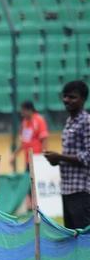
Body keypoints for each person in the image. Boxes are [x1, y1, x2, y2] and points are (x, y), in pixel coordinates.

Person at [43, 79, 89, 230]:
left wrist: (60, 157)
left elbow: (88, 156)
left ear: (83, 100)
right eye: (65, 96)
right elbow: (73, 155)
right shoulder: (70, 121)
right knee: (72, 237)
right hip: (67, 189)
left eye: (72, 97)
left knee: (83, 239)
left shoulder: (86, 122)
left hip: (82, 190)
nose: (66, 100)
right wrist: (56, 161)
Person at [17, 100, 49, 172]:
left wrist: (43, 157)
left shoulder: (39, 120)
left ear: (29, 110)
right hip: (28, 160)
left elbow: (44, 139)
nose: (22, 113)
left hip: (37, 159)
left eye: (23, 111)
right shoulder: (24, 122)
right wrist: (14, 155)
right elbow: (24, 142)